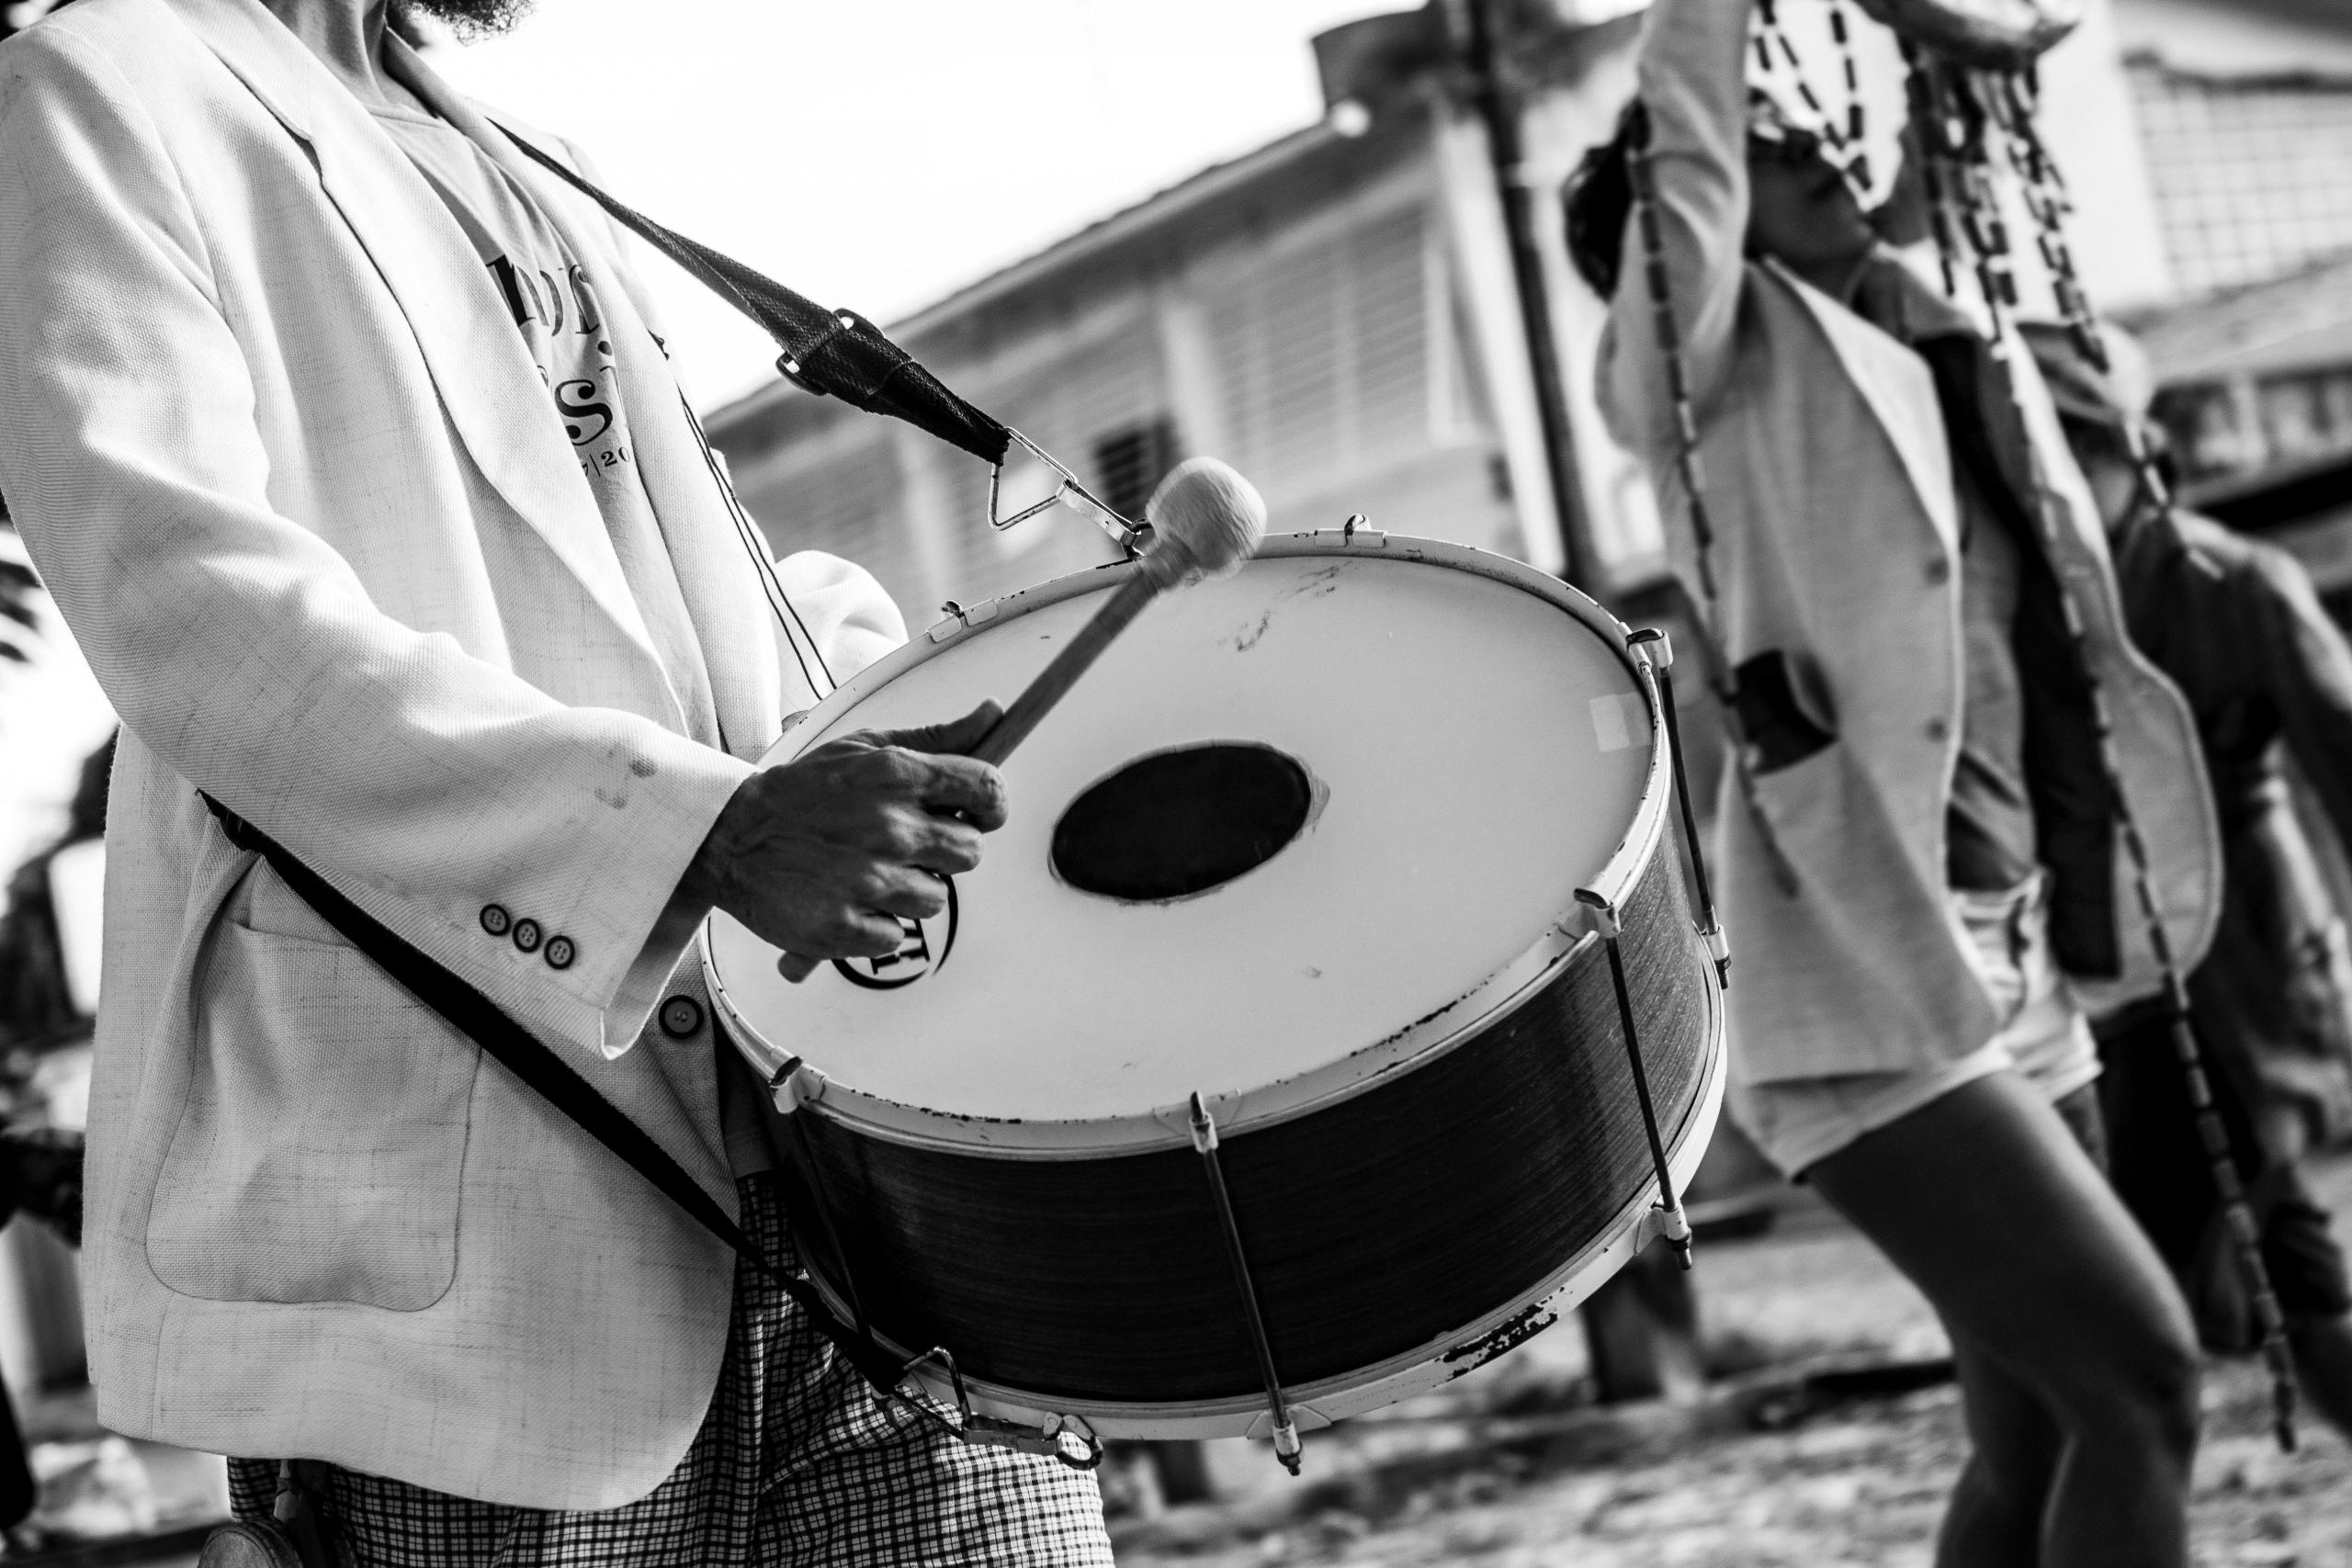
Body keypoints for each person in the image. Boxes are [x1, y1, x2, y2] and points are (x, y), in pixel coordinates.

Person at [0, 0, 1112, 1561]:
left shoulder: (530, 157)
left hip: (853, 1202)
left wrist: (882, 726)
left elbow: (667, 605)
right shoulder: (100, 83)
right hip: (469, 1249)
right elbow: (192, 610)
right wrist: (696, 833)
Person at [1571, 2, 2225, 1563]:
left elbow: (1928, 174)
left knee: (2038, 1430)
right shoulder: (1697, 370)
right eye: (1769, 144)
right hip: (1866, 978)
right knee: (2144, 1382)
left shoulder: (1914, 344)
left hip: (2019, 950)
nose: (1812, 152)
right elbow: (1699, 132)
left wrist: (1961, 46)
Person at [2030, 321, 2352, 1441]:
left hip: (2249, 968)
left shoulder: (2235, 585)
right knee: (2224, 1270)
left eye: (2078, 453)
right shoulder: (2032, 619)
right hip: (2119, 989)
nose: (2054, 485)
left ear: (2138, 452)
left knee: (2224, 1269)